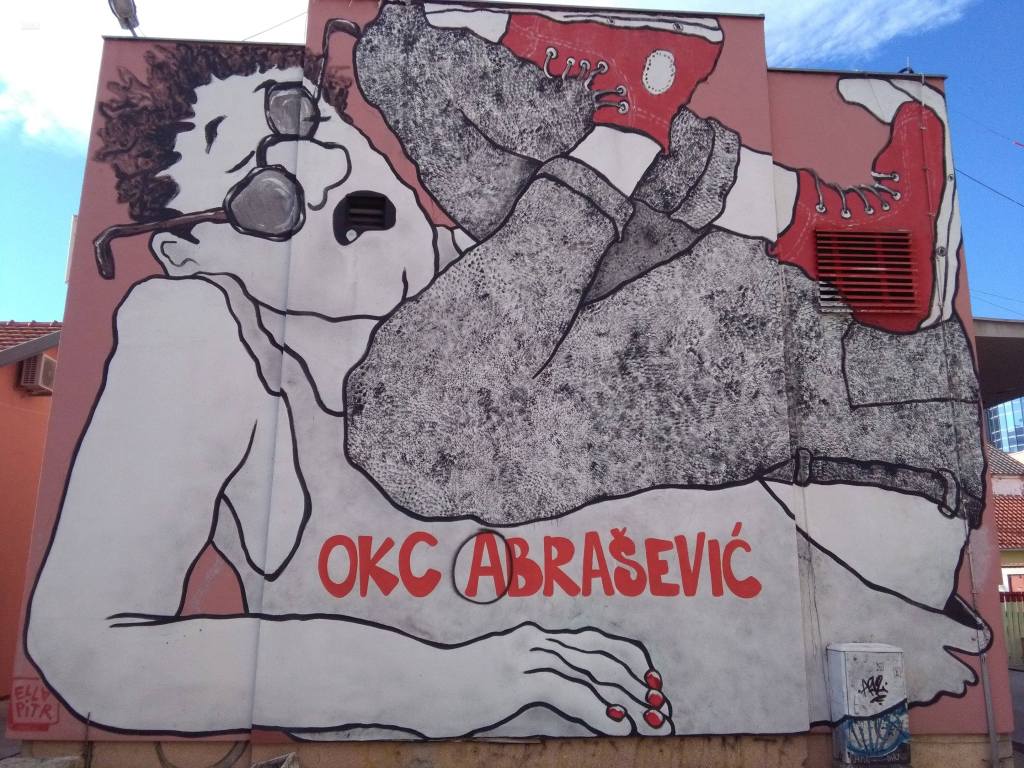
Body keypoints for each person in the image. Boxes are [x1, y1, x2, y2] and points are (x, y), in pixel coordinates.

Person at [26, 4, 987, 740]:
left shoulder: (486, 270)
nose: (322, 172)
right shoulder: (206, 327)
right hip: (878, 494)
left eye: (296, 115)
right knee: (409, 405)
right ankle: (616, 126)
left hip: (876, 458)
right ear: (193, 255)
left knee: (491, 190)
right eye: (264, 197)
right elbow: (86, 644)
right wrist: (448, 682)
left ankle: (809, 205)